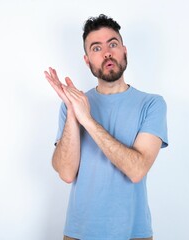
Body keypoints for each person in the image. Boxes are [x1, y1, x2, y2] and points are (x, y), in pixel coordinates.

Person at [44, 14, 168, 240]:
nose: (107, 52)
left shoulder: (152, 104)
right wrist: (73, 112)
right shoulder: (73, 106)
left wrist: (88, 120)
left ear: (124, 51)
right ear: (87, 60)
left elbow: (137, 170)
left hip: (133, 233)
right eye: (96, 48)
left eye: (113, 44)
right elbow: (66, 172)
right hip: (78, 233)